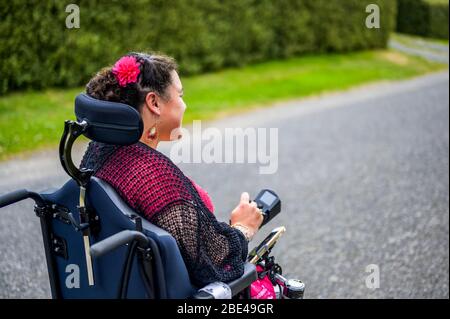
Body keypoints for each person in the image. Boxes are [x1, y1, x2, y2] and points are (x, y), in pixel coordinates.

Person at [80, 52, 264, 289]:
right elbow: (215, 265)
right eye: (180, 95)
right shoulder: (153, 177)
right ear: (154, 103)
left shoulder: (99, 151)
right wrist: (243, 227)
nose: (184, 104)